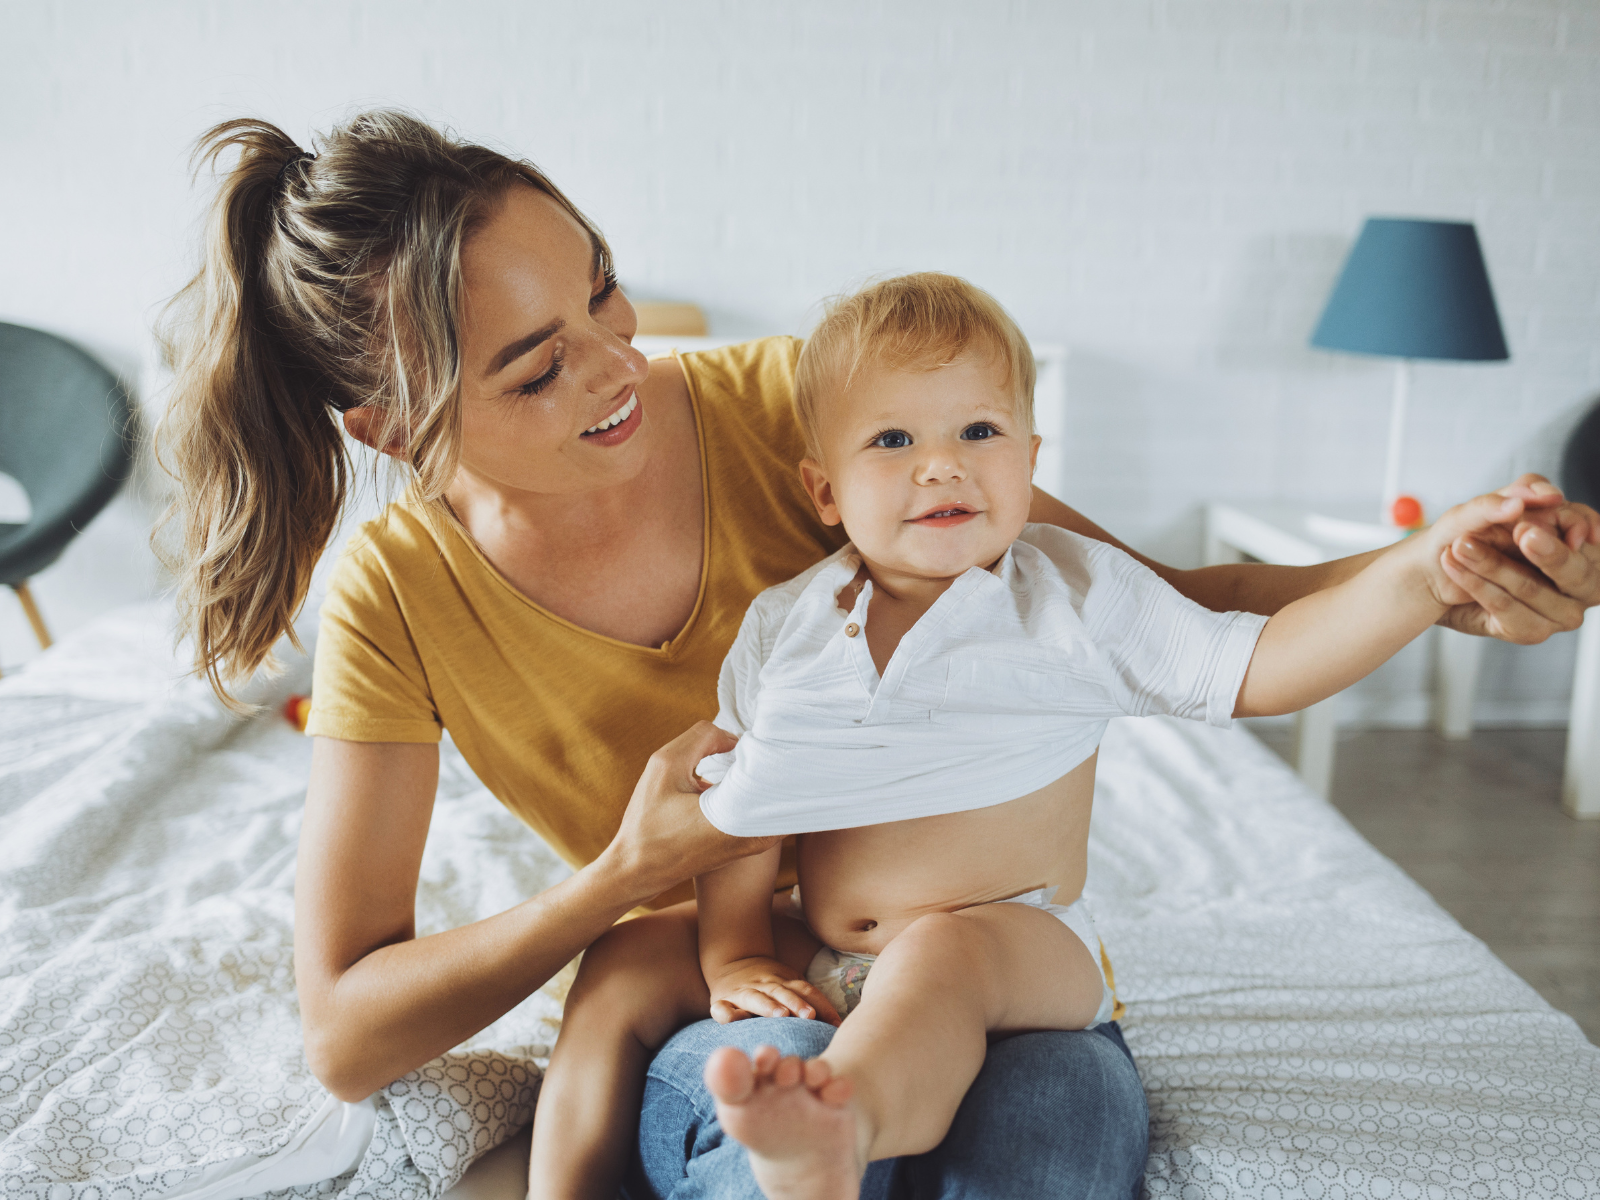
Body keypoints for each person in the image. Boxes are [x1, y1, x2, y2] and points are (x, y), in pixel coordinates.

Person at [154, 110, 1600, 1200]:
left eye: (607, 292)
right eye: (538, 366)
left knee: (1063, 1131)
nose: (622, 367)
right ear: (393, 429)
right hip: (724, 984)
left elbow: (1166, 601)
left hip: (977, 953)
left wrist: (1445, 578)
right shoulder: (394, 598)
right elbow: (346, 1035)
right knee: (721, 1122)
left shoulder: (813, 408)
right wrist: (622, 883)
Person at [523, 273, 1600, 1200]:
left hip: (1018, 950)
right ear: (822, 489)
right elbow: (748, 809)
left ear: (1032, 458)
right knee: (642, 956)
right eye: (892, 439)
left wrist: (1413, 577)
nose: (939, 466)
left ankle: (840, 1130)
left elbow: (1260, 665)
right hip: (838, 955)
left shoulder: (1070, 596)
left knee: (945, 950)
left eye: (977, 433)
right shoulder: (789, 626)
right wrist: (739, 952)